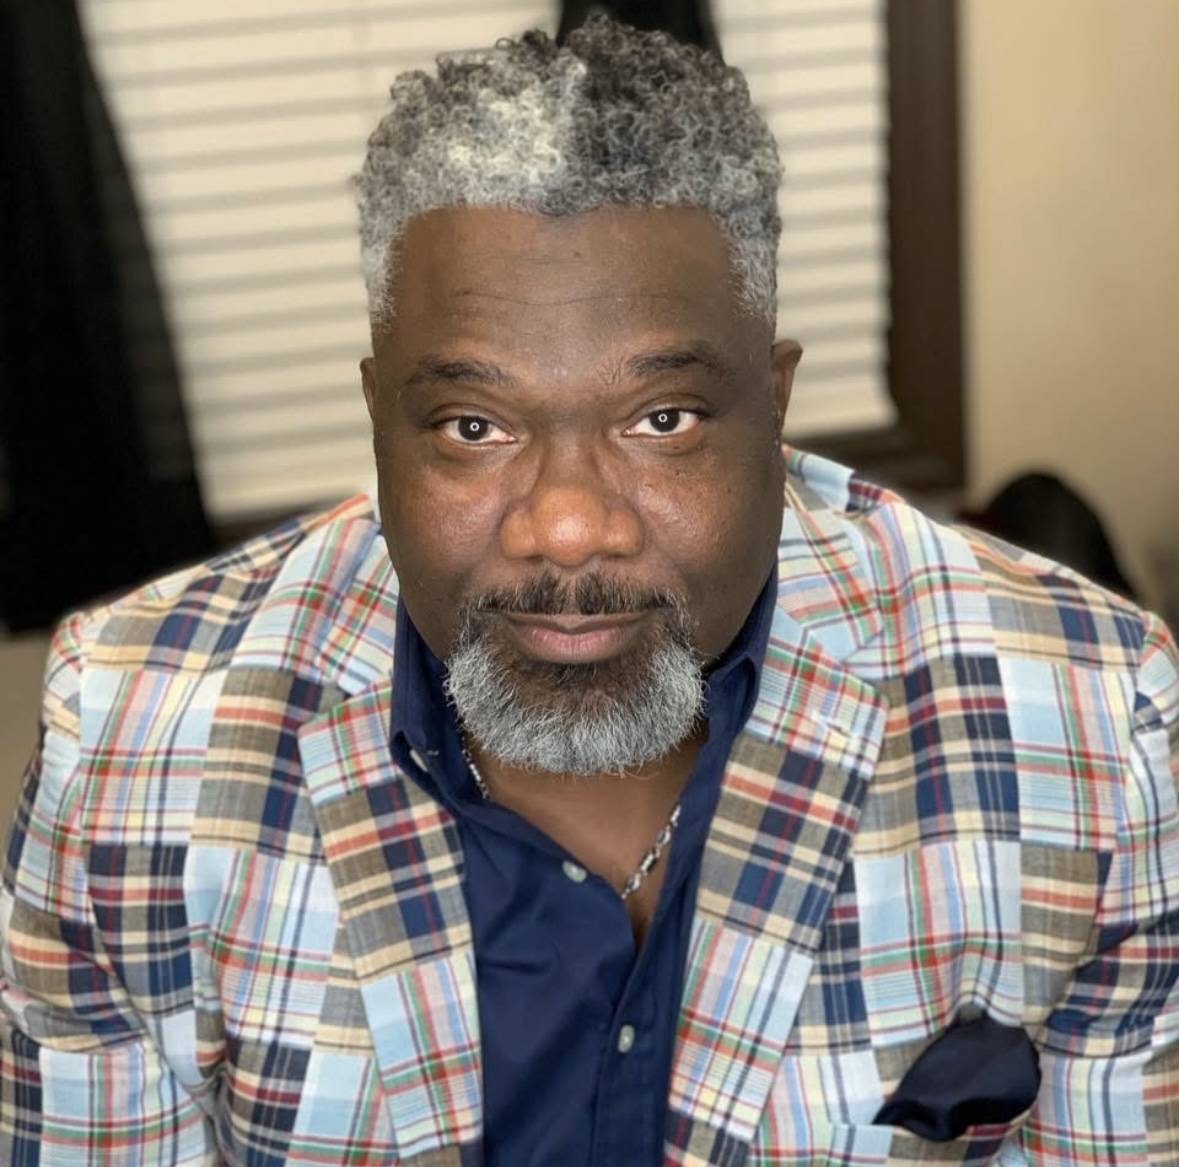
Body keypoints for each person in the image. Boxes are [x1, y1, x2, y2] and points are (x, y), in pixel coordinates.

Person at [2, 16, 1176, 1166]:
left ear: (773, 408)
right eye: (472, 426)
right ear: (379, 419)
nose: (567, 526)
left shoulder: (1091, 719)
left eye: (663, 420)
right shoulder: (132, 737)